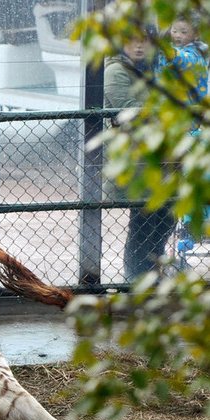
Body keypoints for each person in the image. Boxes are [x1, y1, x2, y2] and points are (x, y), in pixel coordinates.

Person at [104, 28, 175, 280]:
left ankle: (152, 274)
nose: (138, 46)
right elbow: (130, 112)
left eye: (144, 41)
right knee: (143, 223)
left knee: (165, 218)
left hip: (159, 160)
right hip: (136, 161)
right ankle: (135, 279)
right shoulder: (115, 71)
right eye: (131, 40)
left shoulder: (150, 71)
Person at [156, 13, 208, 104]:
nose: (177, 35)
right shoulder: (170, 49)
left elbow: (187, 60)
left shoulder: (196, 52)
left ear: (196, 34)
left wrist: (173, 53)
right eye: (174, 31)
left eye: (183, 32)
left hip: (191, 106)